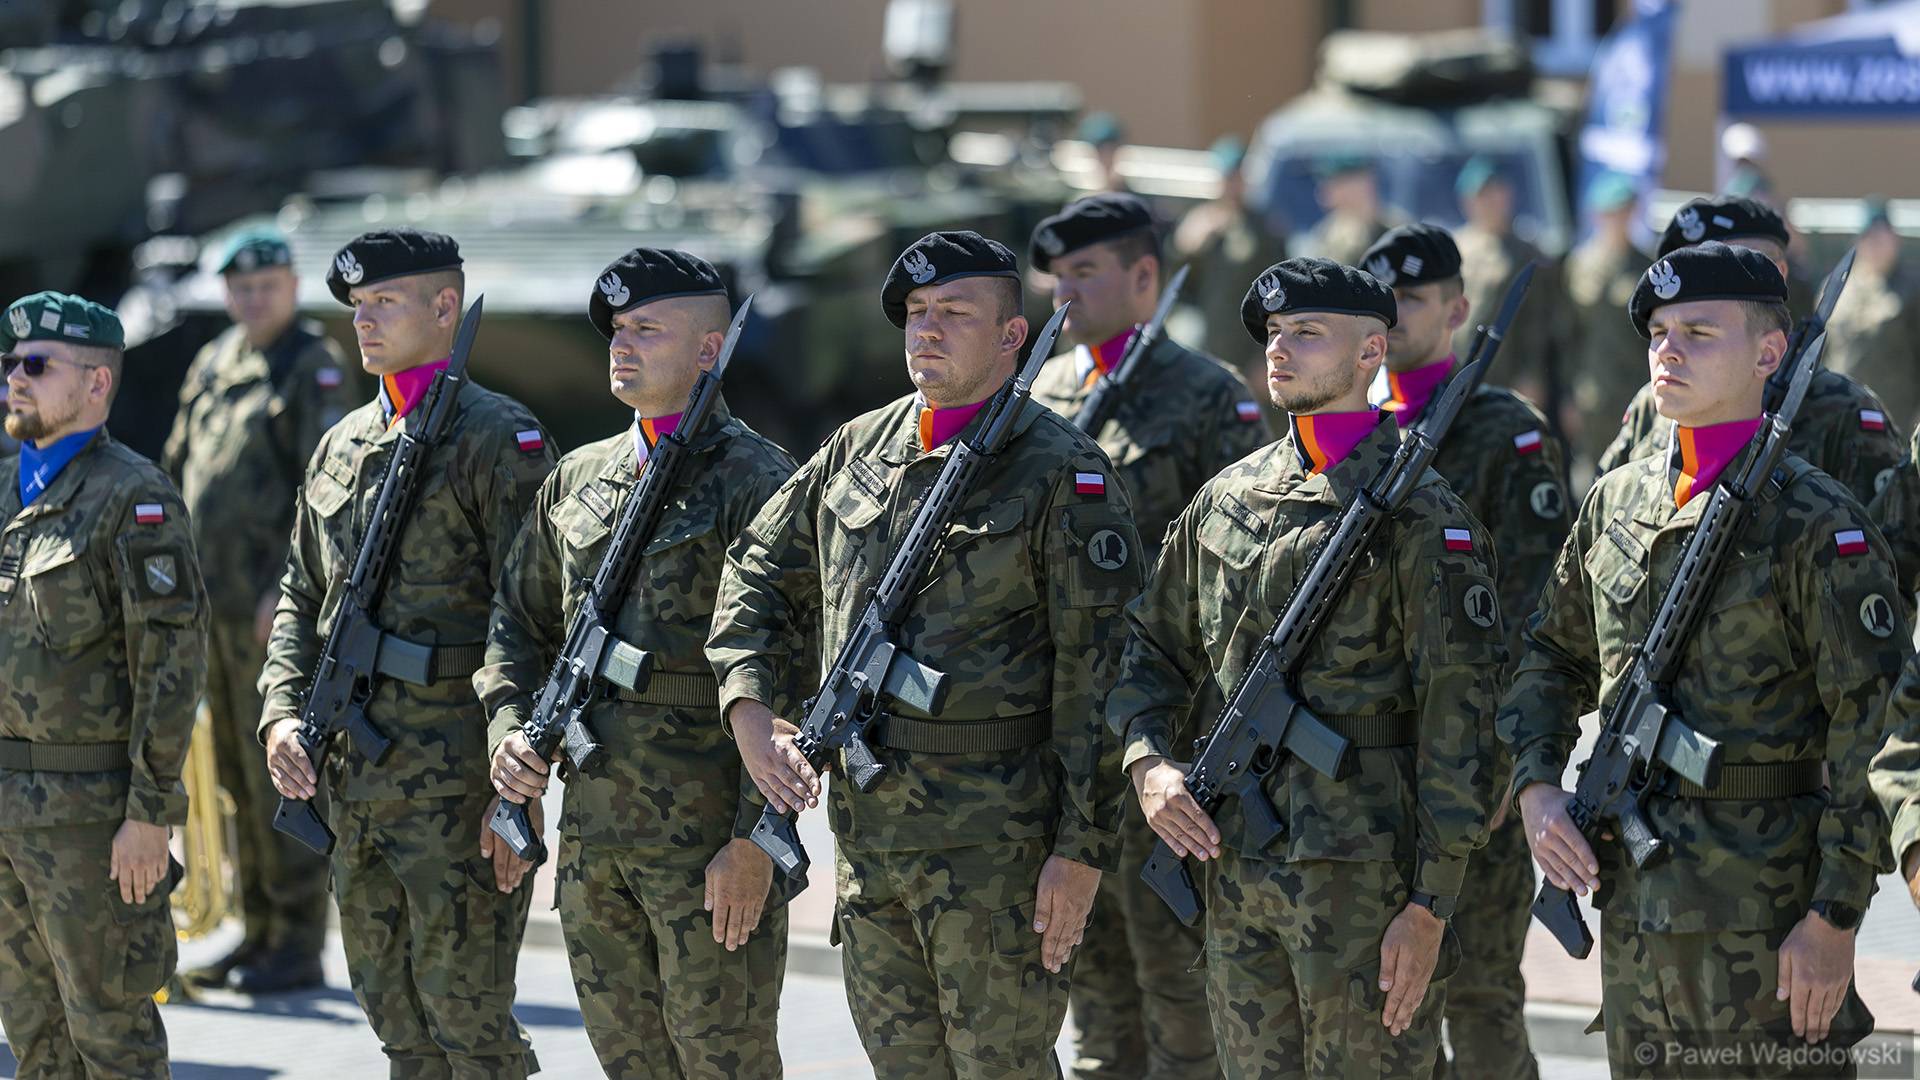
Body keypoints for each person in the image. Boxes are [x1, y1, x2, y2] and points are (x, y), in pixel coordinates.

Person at [707, 230, 1142, 1078]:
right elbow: (754, 571)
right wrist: (749, 707)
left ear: (1013, 335)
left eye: (953, 312)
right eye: (915, 312)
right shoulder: (855, 449)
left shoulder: (1063, 473)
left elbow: (1104, 681)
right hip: (870, 844)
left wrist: (1082, 851)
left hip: (998, 854)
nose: (927, 329)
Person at [1504, 242, 1904, 1076]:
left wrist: (1835, 918)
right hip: (1637, 923)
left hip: (1770, 928)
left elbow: (1870, 730)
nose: (1668, 351)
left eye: (1698, 332)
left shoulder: (1816, 522)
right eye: (1658, 333)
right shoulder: (1616, 502)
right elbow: (1549, 656)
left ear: (1769, 353)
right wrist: (1537, 787)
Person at [1109, 258, 1504, 1077]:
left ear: (1371, 352)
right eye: (1275, 333)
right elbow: (1149, 648)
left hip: (1368, 887)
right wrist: (1149, 764)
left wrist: (1430, 904)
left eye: (1308, 332)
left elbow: (1464, 725)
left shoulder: (1424, 516)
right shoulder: (1227, 499)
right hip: (1234, 870)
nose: (1280, 349)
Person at [478, 248, 797, 1076]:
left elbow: (793, 675)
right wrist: (509, 734)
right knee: (628, 1060)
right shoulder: (578, 478)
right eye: (618, 330)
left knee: (724, 1061)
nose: (622, 344)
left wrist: (756, 841)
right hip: (596, 842)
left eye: (647, 329)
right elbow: (517, 624)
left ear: (709, 348)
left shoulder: (759, 481)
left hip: (708, 842)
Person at [259, 228, 554, 1078]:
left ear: (446, 307)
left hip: (460, 781)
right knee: (393, 1013)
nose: (364, 320)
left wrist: (520, 789)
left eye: (385, 301)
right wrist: (280, 713)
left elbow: (538, 616)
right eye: (358, 305)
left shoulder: (498, 438)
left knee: (469, 1021)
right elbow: (300, 595)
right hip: (354, 780)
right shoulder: (342, 442)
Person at [1027, 191, 1270, 1080]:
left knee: (1176, 976)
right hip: (1062, 734)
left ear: (1143, 277)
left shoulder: (1207, 395)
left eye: (1087, 273)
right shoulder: (1041, 394)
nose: (1066, 292)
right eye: (1058, 275)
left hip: (1168, 733)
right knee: (1085, 972)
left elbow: (1241, 570)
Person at [1361, 223, 1568, 1080]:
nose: (1395, 315)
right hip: (1368, 769)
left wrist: (1505, 760)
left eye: (1413, 299)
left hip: (1472, 766)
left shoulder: (1504, 431)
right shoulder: (1352, 427)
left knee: (1480, 997)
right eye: (1381, 300)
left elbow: (1539, 612)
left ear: (1457, 310)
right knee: (1386, 1009)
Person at [0, 291, 209, 1075]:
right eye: (8, 363)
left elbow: (170, 663)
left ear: (96, 383)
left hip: (92, 823)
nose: (14, 379)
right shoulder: (5, 487)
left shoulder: (133, 497)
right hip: (7, 812)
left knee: (112, 1043)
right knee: (36, 1044)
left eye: (35, 364)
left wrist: (151, 814)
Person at [161, 226, 350, 994]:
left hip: (269, 612)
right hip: (211, 606)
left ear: (292, 288)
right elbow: (181, 466)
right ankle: (256, 927)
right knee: (236, 774)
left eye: (266, 286)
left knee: (284, 774)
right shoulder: (216, 362)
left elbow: (325, 489)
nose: (253, 299)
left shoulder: (313, 366)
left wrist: (288, 589)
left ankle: (297, 940)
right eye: (240, 288)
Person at [1597, 196, 1917, 600]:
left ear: (1776, 273)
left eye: (1727, 265)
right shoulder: (1652, 403)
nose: (1704, 284)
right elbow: (1599, 537)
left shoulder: (1845, 412)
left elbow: (1890, 577)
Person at [1173, 135, 1289, 388]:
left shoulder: (1263, 229)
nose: (1231, 184)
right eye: (1226, 177)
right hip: (1208, 346)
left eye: (1236, 176)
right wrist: (1183, 248)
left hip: (1247, 347)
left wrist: (1265, 353)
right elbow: (1178, 289)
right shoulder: (1201, 222)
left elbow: (1279, 295)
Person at [1450, 156, 1560, 418]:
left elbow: (1538, 320)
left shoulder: (1526, 253)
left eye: (1494, 192)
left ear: (1508, 195)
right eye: (1481, 195)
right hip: (1457, 373)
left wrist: (1532, 373)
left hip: (1506, 374)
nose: (1489, 202)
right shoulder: (1455, 247)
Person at [1562, 172, 1653, 478]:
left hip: (1635, 393)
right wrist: (1567, 395)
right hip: (1591, 397)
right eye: (1610, 211)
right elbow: (1567, 335)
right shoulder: (1579, 265)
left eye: (1624, 210)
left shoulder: (1647, 267)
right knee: (1590, 477)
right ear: (1596, 214)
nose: (1617, 218)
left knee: (1636, 474)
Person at [1824, 198, 1920, 433]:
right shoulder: (1838, 286)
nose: (1876, 244)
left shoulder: (1911, 289)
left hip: (1896, 415)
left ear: (1895, 239)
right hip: (1842, 414)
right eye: (1869, 237)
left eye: (1882, 236)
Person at [1290, 154, 1404, 268]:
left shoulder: (1398, 231)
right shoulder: (1327, 234)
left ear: (1364, 183)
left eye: (1334, 183)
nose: (1323, 195)